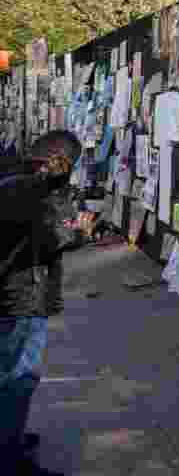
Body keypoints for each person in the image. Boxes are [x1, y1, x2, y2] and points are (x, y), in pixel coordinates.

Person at [0, 131, 81, 476]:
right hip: (20, 300)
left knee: (12, 376)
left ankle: (9, 441)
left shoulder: (14, 178)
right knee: (18, 378)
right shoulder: (28, 189)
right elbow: (47, 239)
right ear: (58, 161)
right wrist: (80, 233)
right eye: (70, 165)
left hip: (14, 296)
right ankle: (9, 457)